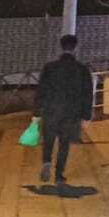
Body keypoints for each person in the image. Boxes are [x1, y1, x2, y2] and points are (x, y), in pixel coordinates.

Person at [32, 34, 93, 184]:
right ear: (75, 47)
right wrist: (86, 116)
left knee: (48, 140)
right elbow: (87, 93)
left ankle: (47, 162)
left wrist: (36, 112)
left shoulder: (50, 67)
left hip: (51, 110)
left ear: (61, 46)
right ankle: (59, 175)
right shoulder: (82, 69)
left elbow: (41, 90)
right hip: (71, 113)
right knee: (64, 144)